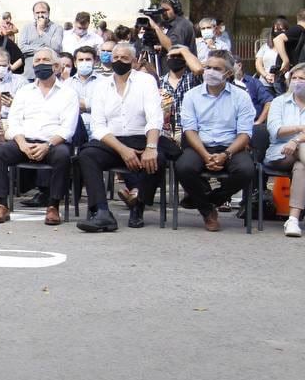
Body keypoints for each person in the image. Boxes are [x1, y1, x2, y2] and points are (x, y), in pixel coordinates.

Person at [77, 42, 178, 231]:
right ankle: (102, 212)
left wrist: (151, 147)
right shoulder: (101, 85)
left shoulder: (146, 81)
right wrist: (123, 150)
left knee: (158, 158)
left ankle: (138, 204)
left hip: (142, 137)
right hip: (112, 141)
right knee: (87, 155)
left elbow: (154, 117)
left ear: (133, 60)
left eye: (124, 58)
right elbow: (98, 126)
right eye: (115, 58)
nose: (119, 61)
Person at [0, 47, 79, 226]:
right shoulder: (25, 91)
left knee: (62, 155)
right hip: (24, 142)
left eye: (45, 60)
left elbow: (68, 128)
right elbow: (13, 122)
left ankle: (53, 205)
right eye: (37, 61)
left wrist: (47, 146)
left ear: (56, 66)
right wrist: (21, 143)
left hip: (52, 143)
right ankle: (1, 205)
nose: (40, 64)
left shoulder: (68, 93)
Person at [174, 49, 256, 232]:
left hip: (231, 146)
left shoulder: (241, 96)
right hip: (199, 146)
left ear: (228, 73)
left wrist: (226, 154)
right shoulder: (192, 95)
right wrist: (205, 155)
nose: (209, 72)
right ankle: (207, 211)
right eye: (207, 67)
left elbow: (244, 133)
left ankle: (210, 200)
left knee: (246, 170)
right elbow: (190, 130)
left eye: (216, 68)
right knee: (183, 167)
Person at [266, 63, 305, 236]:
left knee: (301, 167)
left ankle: (293, 220)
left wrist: (296, 141)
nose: (297, 82)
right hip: (279, 152)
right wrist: (299, 128)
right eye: (294, 78)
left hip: (300, 152)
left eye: (302, 79)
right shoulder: (279, 102)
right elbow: (276, 130)